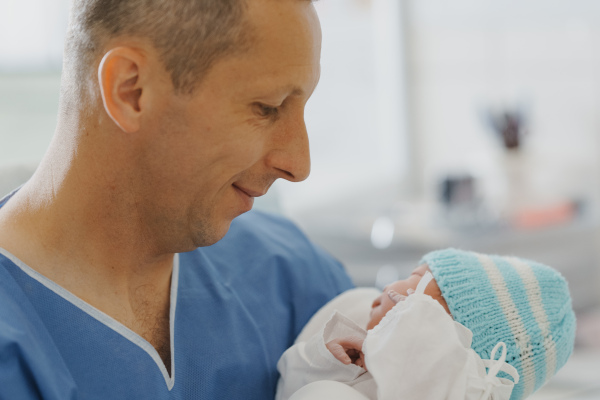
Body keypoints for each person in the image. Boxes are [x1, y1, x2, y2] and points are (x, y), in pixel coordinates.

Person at [0, 0, 354, 398]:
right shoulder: (13, 344)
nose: (298, 164)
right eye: (267, 108)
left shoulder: (289, 275)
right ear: (131, 90)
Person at [276, 248, 576, 400]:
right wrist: (329, 360)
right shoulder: (353, 334)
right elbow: (287, 383)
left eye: (414, 279)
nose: (392, 284)